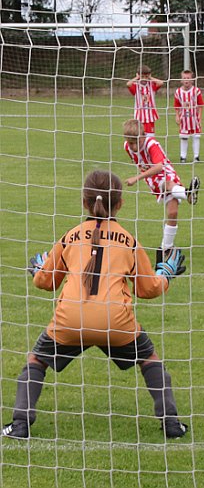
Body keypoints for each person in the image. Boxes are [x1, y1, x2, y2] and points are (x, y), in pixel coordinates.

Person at [1, 171, 188, 440]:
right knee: (149, 359)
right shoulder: (129, 240)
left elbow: (46, 282)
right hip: (116, 321)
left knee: (37, 360)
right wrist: (166, 275)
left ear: (84, 202)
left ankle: (20, 425)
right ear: (120, 204)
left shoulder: (70, 236)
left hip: (71, 319)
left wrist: (38, 269)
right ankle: (171, 424)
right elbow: (148, 289)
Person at [123, 119, 200, 262]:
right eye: (130, 142)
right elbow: (140, 162)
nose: (132, 146)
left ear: (143, 136)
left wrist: (137, 177)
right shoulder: (127, 147)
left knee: (172, 208)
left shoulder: (151, 144)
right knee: (170, 205)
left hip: (164, 171)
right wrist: (142, 169)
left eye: (135, 142)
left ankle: (166, 247)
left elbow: (159, 167)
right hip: (151, 177)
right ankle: (186, 194)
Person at [174, 70, 204, 163]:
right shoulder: (178, 92)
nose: (186, 80)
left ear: (192, 80)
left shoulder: (196, 91)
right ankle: (183, 157)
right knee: (184, 137)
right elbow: (176, 106)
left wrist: (199, 116)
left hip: (194, 118)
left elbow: (200, 104)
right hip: (184, 119)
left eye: (188, 78)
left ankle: (196, 156)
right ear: (181, 80)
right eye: (184, 78)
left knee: (196, 137)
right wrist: (177, 116)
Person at [127, 65, 164, 137]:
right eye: (142, 76)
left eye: (146, 77)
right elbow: (128, 84)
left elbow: (161, 83)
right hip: (140, 116)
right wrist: (137, 78)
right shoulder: (136, 86)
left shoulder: (151, 85)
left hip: (150, 116)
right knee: (140, 137)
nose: (144, 79)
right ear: (138, 75)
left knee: (150, 137)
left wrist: (150, 77)